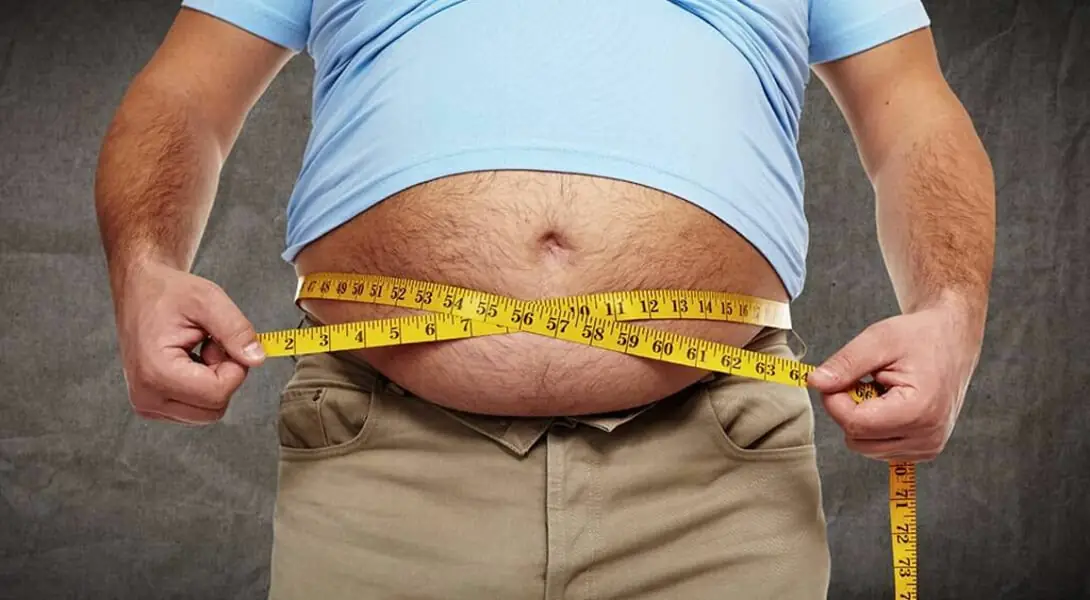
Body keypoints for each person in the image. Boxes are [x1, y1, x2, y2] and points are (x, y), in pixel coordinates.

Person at [94, 1, 995, 598]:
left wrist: (948, 313)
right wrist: (145, 269)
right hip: (385, 456)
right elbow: (186, 93)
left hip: (715, 467)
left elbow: (912, 114)